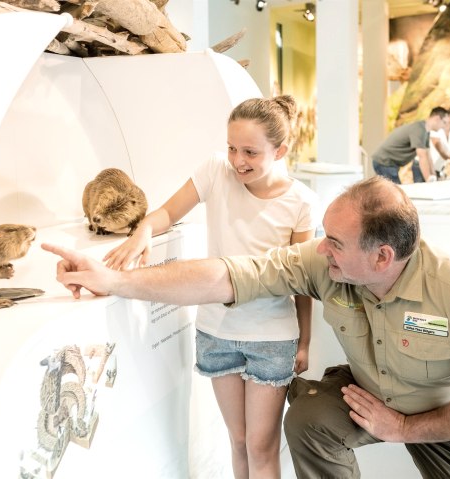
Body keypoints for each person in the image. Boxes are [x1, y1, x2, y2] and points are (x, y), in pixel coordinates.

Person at [42, 176, 450, 479]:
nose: (321, 249)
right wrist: (117, 280)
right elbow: (230, 274)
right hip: (369, 396)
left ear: (382, 256)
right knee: (308, 420)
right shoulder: (328, 264)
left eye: (335, 242)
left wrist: (401, 428)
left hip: (444, 420)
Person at [102, 95, 320, 479]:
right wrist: (143, 232)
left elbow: (302, 278)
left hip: (272, 337)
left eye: (250, 151)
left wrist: (304, 341)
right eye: (232, 148)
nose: (238, 160)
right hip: (215, 334)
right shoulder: (215, 170)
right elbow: (169, 211)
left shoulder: (301, 200)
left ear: (281, 150)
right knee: (237, 441)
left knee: (261, 446)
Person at [372, 107, 448, 184]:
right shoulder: (419, 129)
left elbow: (428, 156)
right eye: (444, 122)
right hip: (384, 161)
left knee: (393, 191)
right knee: (395, 192)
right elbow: (422, 156)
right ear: (437, 118)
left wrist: (434, 178)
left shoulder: (425, 131)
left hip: (389, 162)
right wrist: (429, 181)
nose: (444, 126)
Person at [430, 105, 450, 178]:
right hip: (430, 163)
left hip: (443, 164)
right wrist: (448, 160)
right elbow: (438, 147)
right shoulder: (437, 126)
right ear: (447, 116)